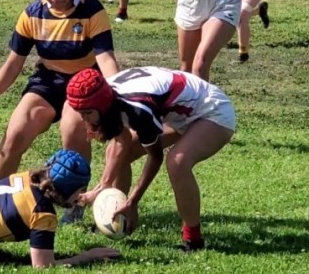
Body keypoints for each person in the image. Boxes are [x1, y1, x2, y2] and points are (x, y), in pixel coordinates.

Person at [0, 0, 119, 222]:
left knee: (72, 129)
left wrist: (118, 93)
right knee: (14, 134)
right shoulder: (32, 14)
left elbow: (105, 58)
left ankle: (76, 203)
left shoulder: (91, 9)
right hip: (48, 81)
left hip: (84, 83)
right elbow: (13, 64)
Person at [65, 67, 235, 251]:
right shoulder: (107, 93)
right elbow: (123, 141)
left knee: (176, 162)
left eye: (87, 113)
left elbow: (155, 157)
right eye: (80, 112)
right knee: (116, 152)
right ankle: (114, 215)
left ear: (102, 104)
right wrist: (102, 186)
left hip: (213, 111)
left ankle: (193, 239)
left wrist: (133, 202)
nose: (83, 119)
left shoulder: (138, 108)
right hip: (181, 114)